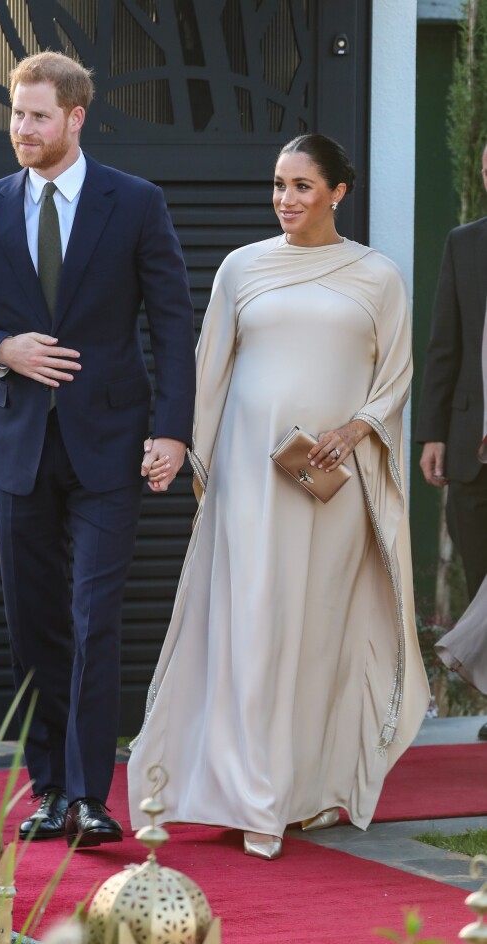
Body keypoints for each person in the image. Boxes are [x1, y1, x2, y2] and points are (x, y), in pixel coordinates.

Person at [128, 133, 430, 861]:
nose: (285, 199)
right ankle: (250, 797)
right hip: (247, 486)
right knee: (249, 626)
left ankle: (298, 791)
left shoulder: (379, 276)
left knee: (313, 633)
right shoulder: (241, 268)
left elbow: (395, 377)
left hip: (334, 492)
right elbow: (210, 370)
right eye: (278, 185)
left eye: (301, 186)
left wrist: (357, 429)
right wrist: (190, 456)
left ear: (338, 193)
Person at [0, 52, 195, 848]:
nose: (23, 129)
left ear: (76, 118)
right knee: (36, 623)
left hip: (111, 446)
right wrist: (0, 347)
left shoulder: (137, 203)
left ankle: (88, 793)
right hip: (20, 448)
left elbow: (173, 321)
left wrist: (174, 430)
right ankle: (47, 787)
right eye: (16, 114)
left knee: (95, 616)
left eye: (38, 116)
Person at [416, 145, 487, 606]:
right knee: (482, 592)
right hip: (470, 455)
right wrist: (433, 434)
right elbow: (445, 347)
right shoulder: (464, 243)